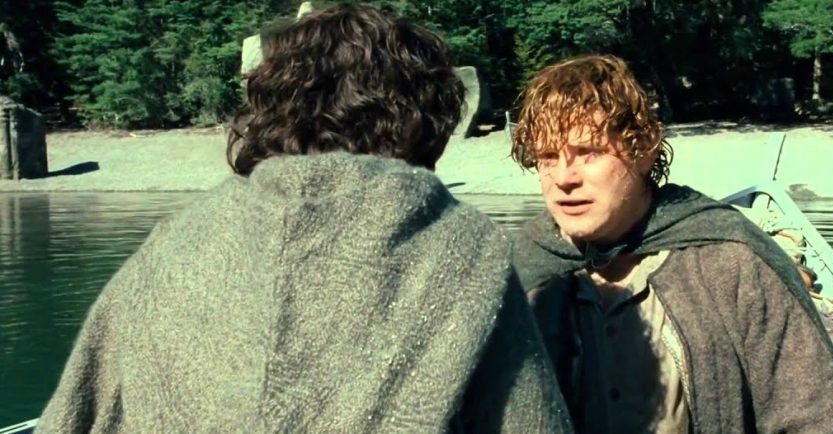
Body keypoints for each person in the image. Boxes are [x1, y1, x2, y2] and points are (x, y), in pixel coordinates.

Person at [36, 5, 572, 433]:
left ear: (272, 109)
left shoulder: (173, 245)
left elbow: (75, 415)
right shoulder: (463, 251)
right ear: (417, 121)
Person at [511, 54, 833, 433]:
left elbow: (813, 417)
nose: (564, 178)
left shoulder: (730, 260)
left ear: (644, 149)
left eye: (589, 152)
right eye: (547, 158)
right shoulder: (523, 271)